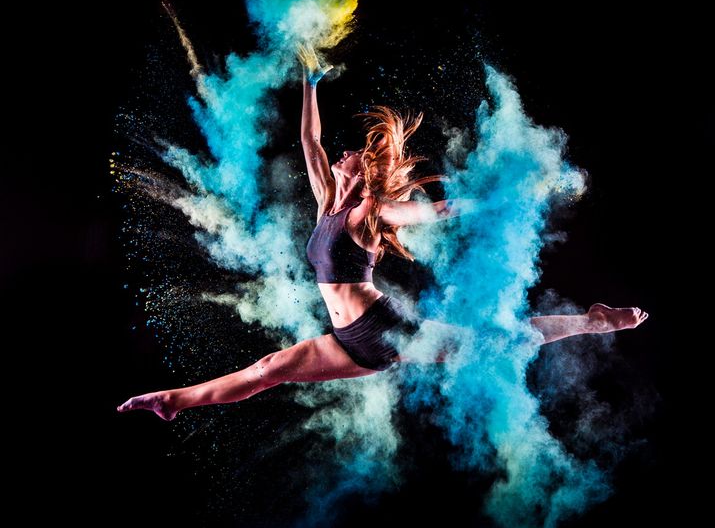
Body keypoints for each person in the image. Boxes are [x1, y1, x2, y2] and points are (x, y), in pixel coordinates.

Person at [117, 45, 648, 421]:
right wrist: (310, 80)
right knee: (266, 370)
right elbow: (310, 140)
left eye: (353, 153)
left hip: (382, 329)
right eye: (343, 152)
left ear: (364, 169)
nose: (343, 152)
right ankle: (172, 400)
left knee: (494, 342)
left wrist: (487, 199)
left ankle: (594, 321)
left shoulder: (373, 210)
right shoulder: (329, 201)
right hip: (350, 343)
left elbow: (424, 214)